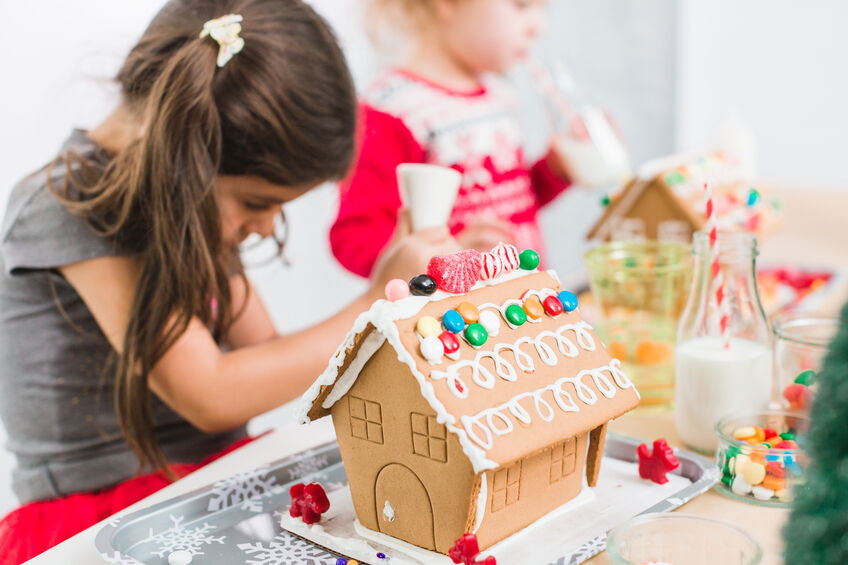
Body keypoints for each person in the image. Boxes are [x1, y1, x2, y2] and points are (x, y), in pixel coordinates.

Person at [0, 1, 455, 561]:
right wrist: (373, 302)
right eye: (257, 202)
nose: (263, 226)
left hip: (206, 486)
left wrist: (399, 280)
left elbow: (269, 355)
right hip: (106, 518)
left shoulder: (186, 198)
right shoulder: (69, 206)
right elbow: (212, 395)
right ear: (186, 157)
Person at [329, 0, 573, 279]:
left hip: (528, 297)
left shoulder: (500, 95)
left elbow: (507, 204)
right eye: (521, 5)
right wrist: (442, 258)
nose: (539, 26)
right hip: (461, 307)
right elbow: (354, 237)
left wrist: (553, 172)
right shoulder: (393, 110)